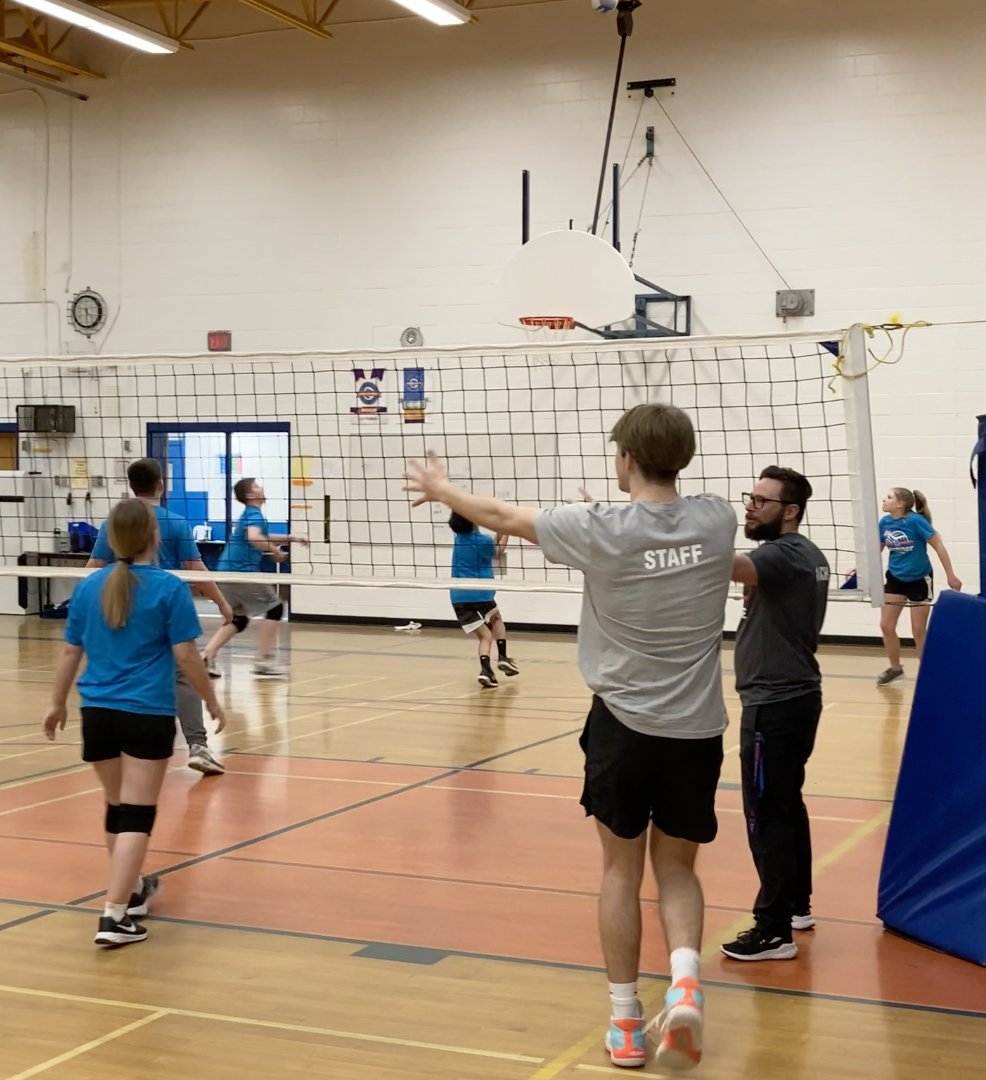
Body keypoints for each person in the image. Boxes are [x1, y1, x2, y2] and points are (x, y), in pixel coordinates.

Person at [404, 403, 736, 1071]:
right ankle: (687, 983)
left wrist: (440, 490)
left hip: (623, 725)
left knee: (619, 870)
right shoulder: (717, 518)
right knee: (676, 871)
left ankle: (623, 1020)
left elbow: (502, 517)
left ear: (627, 459)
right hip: (697, 728)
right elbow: (655, 538)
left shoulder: (595, 529)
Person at [43, 500, 225, 947]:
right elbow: (186, 656)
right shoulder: (168, 587)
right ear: (153, 536)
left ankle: (134, 892)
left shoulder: (90, 587)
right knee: (137, 815)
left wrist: (57, 704)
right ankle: (113, 914)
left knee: (117, 808)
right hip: (146, 712)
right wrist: (211, 700)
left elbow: (71, 652)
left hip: (97, 713)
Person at [721, 467, 830, 962]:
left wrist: (666, 527)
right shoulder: (805, 553)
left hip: (776, 702)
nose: (750, 507)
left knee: (766, 813)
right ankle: (796, 905)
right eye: (750, 497)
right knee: (786, 805)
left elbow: (727, 566)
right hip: (792, 697)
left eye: (762, 501)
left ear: (790, 511)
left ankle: (773, 929)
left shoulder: (782, 555)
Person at [88, 458, 233, 776]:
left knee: (128, 672)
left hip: (121, 610)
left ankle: (124, 742)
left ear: (131, 485)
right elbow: (197, 569)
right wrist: (223, 604)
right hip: (165, 607)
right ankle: (198, 745)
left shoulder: (114, 521)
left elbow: (93, 570)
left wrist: (83, 606)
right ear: (161, 485)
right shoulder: (176, 522)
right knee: (183, 674)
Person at [202, 478, 308, 679]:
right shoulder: (254, 515)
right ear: (251, 495)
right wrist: (274, 550)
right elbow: (255, 538)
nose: (262, 488)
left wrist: (290, 538)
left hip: (225, 572)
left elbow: (260, 535)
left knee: (239, 620)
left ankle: (207, 655)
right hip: (241, 572)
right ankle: (263, 660)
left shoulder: (251, 515)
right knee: (275, 608)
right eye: (257, 486)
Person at [877, 487, 962, 685]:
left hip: (919, 579)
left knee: (918, 630)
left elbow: (938, 545)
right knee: (886, 625)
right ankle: (895, 668)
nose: (884, 499)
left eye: (889, 497)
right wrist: (859, 569)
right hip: (895, 578)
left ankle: (927, 672)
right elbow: (877, 549)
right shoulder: (885, 523)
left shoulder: (916, 521)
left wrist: (951, 575)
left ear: (900, 504)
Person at [448, 512, 518, 687]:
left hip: (459, 597)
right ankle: (502, 656)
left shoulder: (458, 539)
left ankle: (486, 671)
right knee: (496, 619)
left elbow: (488, 543)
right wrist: (506, 530)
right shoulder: (484, 541)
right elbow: (498, 551)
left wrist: (501, 528)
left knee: (485, 637)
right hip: (482, 594)